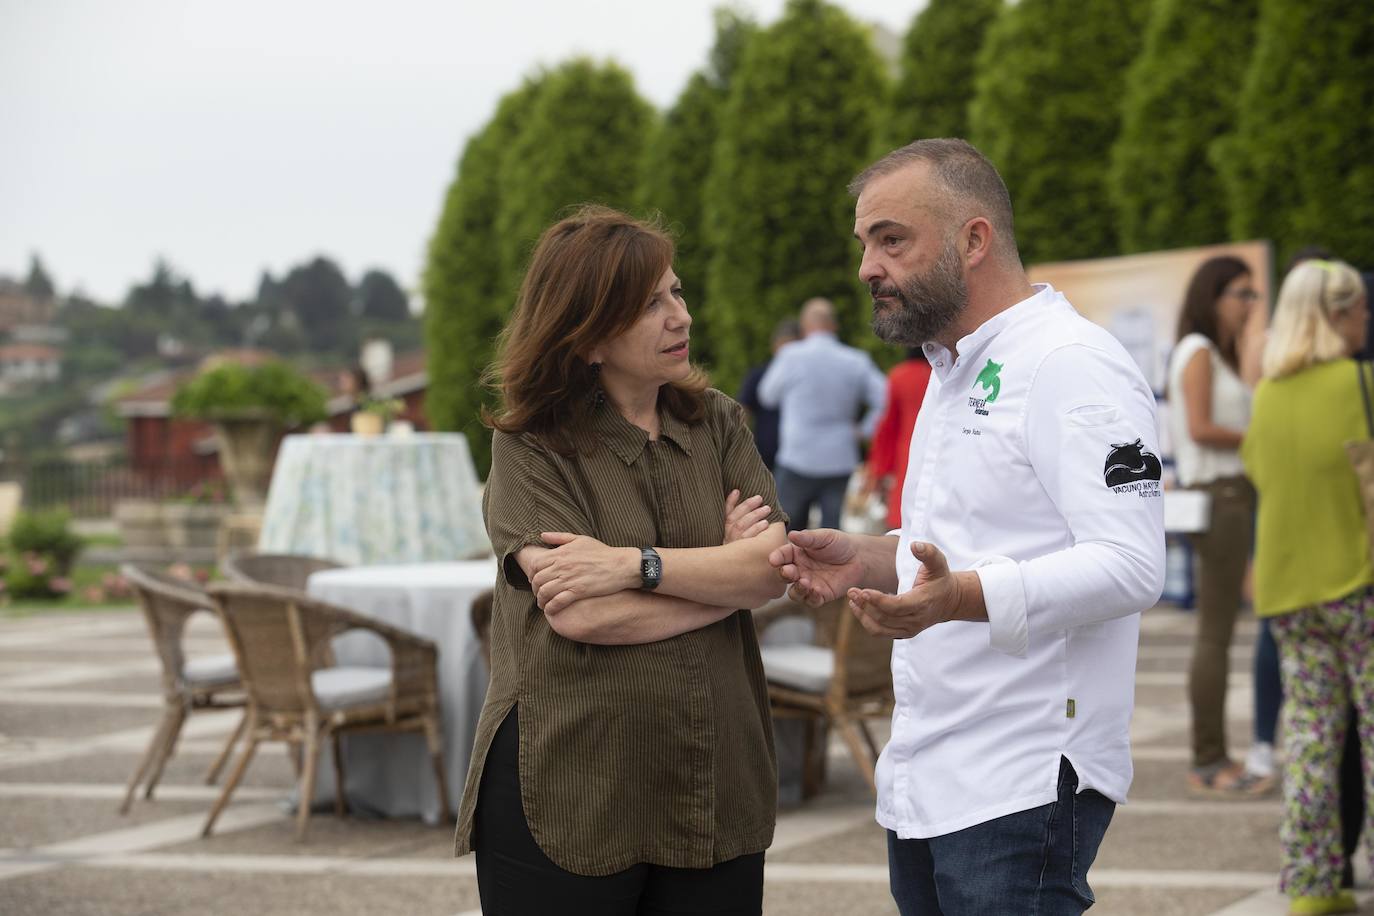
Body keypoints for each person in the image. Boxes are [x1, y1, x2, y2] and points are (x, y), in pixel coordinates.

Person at [769, 138, 1164, 915]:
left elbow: (1130, 564)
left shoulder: (1069, 362)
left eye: (892, 240)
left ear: (973, 239)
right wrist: (865, 558)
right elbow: (960, 547)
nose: (867, 268)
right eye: (865, 244)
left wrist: (958, 598)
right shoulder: (951, 369)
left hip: (1023, 774)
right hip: (930, 773)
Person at [454, 206, 788, 915]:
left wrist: (637, 567)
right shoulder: (532, 444)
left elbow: (772, 566)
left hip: (713, 778)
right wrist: (725, 575)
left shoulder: (719, 422)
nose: (681, 316)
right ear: (588, 335)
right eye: (649, 304)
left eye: (676, 292)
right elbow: (583, 614)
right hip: (573, 787)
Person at [1241, 258, 1372, 915]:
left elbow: (1261, 475)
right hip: (1362, 583)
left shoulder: (1268, 395)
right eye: (1361, 307)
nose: (1367, 318)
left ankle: (1314, 885)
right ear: (1338, 314)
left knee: (1313, 741)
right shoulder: (1361, 381)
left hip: (1290, 592)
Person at [1165, 255, 1271, 797]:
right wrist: (1263, 434)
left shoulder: (1217, 353)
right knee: (1215, 632)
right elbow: (1202, 428)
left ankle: (1212, 755)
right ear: (1214, 297)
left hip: (1232, 495)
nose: (1250, 305)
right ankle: (1208, 759)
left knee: (1221, 630)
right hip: (1221, 496)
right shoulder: (1198, 350)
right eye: (1241, 294)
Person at [758, 297, 886, 530]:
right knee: (833, 534)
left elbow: (767, 395)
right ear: (834, 325)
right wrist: (864, 430)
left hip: (797, 455)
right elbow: (886, 398)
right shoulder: (856, 360)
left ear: (804, 326)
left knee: (784, 530)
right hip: (840, 457)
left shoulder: (790, 355)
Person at [862, 347, 932, 530]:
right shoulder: (945, 374)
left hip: (906, 460)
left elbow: (888, 429)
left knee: (901, 525)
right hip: (940, 458)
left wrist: (879, 470)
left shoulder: (900, 375)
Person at [737, 318, 802, 471]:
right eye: (784, 348)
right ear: (774, 347)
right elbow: (742, 413)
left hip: (800, 458)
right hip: (765, 457)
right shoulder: (759, 375)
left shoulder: (806, 378)